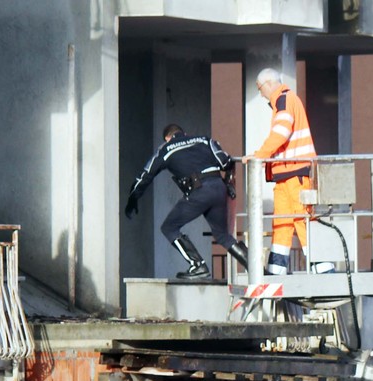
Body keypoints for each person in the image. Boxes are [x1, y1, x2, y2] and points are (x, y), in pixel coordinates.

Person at [125, 124, 248, 280]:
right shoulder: (204, 140)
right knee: (222, 235)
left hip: (199, 191)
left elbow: (145, 175)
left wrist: (133, 198)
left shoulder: (166, 149)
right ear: (185, 133)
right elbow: (225, 161)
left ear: (167, 138)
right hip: (218, 188)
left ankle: (198, 266)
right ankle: (254, 265)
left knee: (169, 227)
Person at [244, 68, 329, 275]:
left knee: (302, 219)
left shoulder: (283, 99)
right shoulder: (285, 100)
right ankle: (276, 270)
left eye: (260, 88)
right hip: (287, 175)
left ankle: (324, 269)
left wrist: (259, 155)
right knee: (282, 222)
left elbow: (281, 132)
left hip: (296, 173)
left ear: (269, 84)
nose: (261, 93)